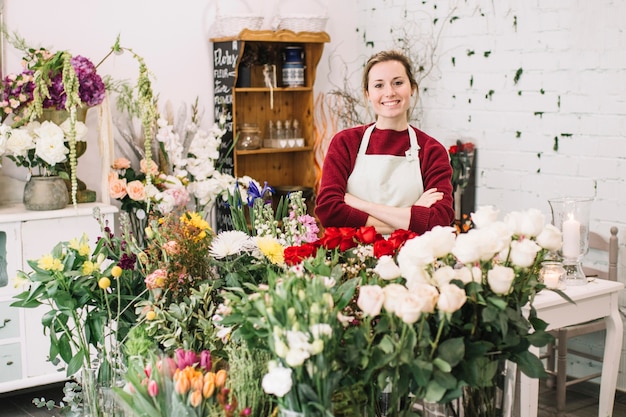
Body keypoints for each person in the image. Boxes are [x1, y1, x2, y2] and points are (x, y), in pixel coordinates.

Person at [315, 50, 455, 235]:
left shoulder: (432, 151)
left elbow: (439, 220)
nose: (389, 92)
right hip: (351, 259)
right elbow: (329, 212)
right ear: (368, 94)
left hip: (411, 260)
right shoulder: (345, 143)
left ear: (412, 88)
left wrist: (361, 205)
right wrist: (412, 216)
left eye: (398, 83)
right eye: (379, 85)